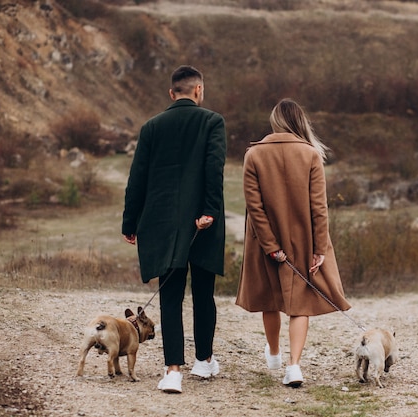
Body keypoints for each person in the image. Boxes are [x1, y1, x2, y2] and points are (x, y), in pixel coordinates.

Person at [122, 65, 226, 394]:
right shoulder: (213, 122)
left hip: (162, 223)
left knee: (170, 295)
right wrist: (209, 210)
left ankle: (172, 372)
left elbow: (137, 178)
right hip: (203, 223)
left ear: (171, 93)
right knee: (203, 294)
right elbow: (214, 167)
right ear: (199, 91)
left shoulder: (151, 127)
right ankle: (204, 361)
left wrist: (130, 222)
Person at [236, 98, 351, 387]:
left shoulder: (253, 155)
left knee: (269, 298)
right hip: (302, 240)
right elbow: (319, 208)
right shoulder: (310, 153)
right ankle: (294, 367)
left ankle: (274, 352)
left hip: (263, 241)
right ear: (300, 122)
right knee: (300, 304)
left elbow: (254, 206)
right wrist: (319, 248)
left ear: (275, 121)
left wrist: (270, 244)